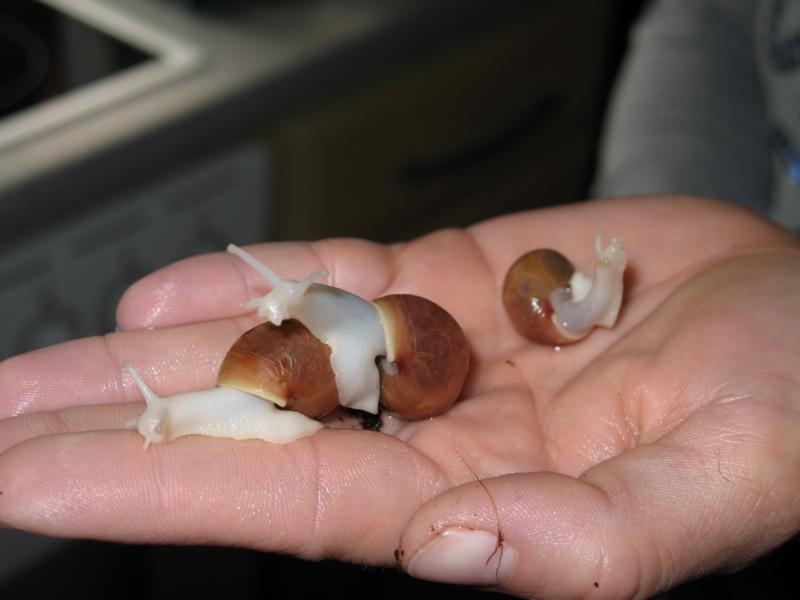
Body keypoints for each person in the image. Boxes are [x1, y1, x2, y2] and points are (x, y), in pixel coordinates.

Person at [0, 194, 798, 599]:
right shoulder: (346, 340)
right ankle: (180, 414)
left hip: (407, 364)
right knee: (257, 375)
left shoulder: (412, 360)